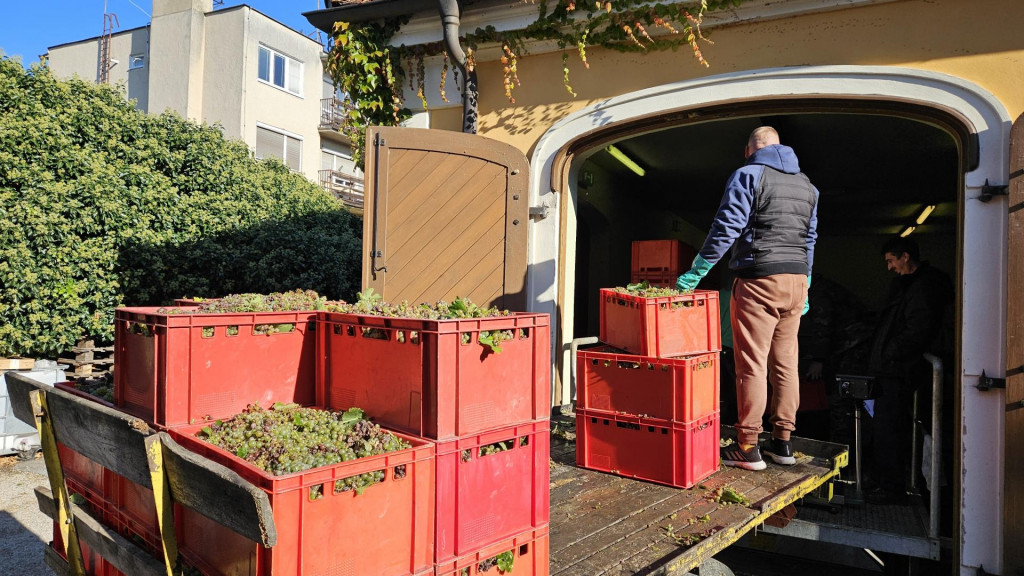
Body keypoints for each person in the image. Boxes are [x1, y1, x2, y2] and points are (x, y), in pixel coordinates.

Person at [677, 126, 819, 471]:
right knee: (786, 363)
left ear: (748, 150)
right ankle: (783, 443)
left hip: (759, 280)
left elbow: (727, 226)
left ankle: (748, 445)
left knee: (751, 364)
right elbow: (810, 238)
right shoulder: (808, 186)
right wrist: (807, 283)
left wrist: (696, 272)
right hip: (796, 281)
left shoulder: (749, 174)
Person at [864, 236, 953, 504]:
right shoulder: (910, 285)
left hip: (899, 370)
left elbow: (918, 329)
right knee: (887, 427)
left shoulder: (924, 287)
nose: (889, 267)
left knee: (889, 428)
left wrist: (890, 355)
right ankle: (890, 483)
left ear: (905, 257)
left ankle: (892, 487)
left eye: (891, 261)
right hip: (893, 368)